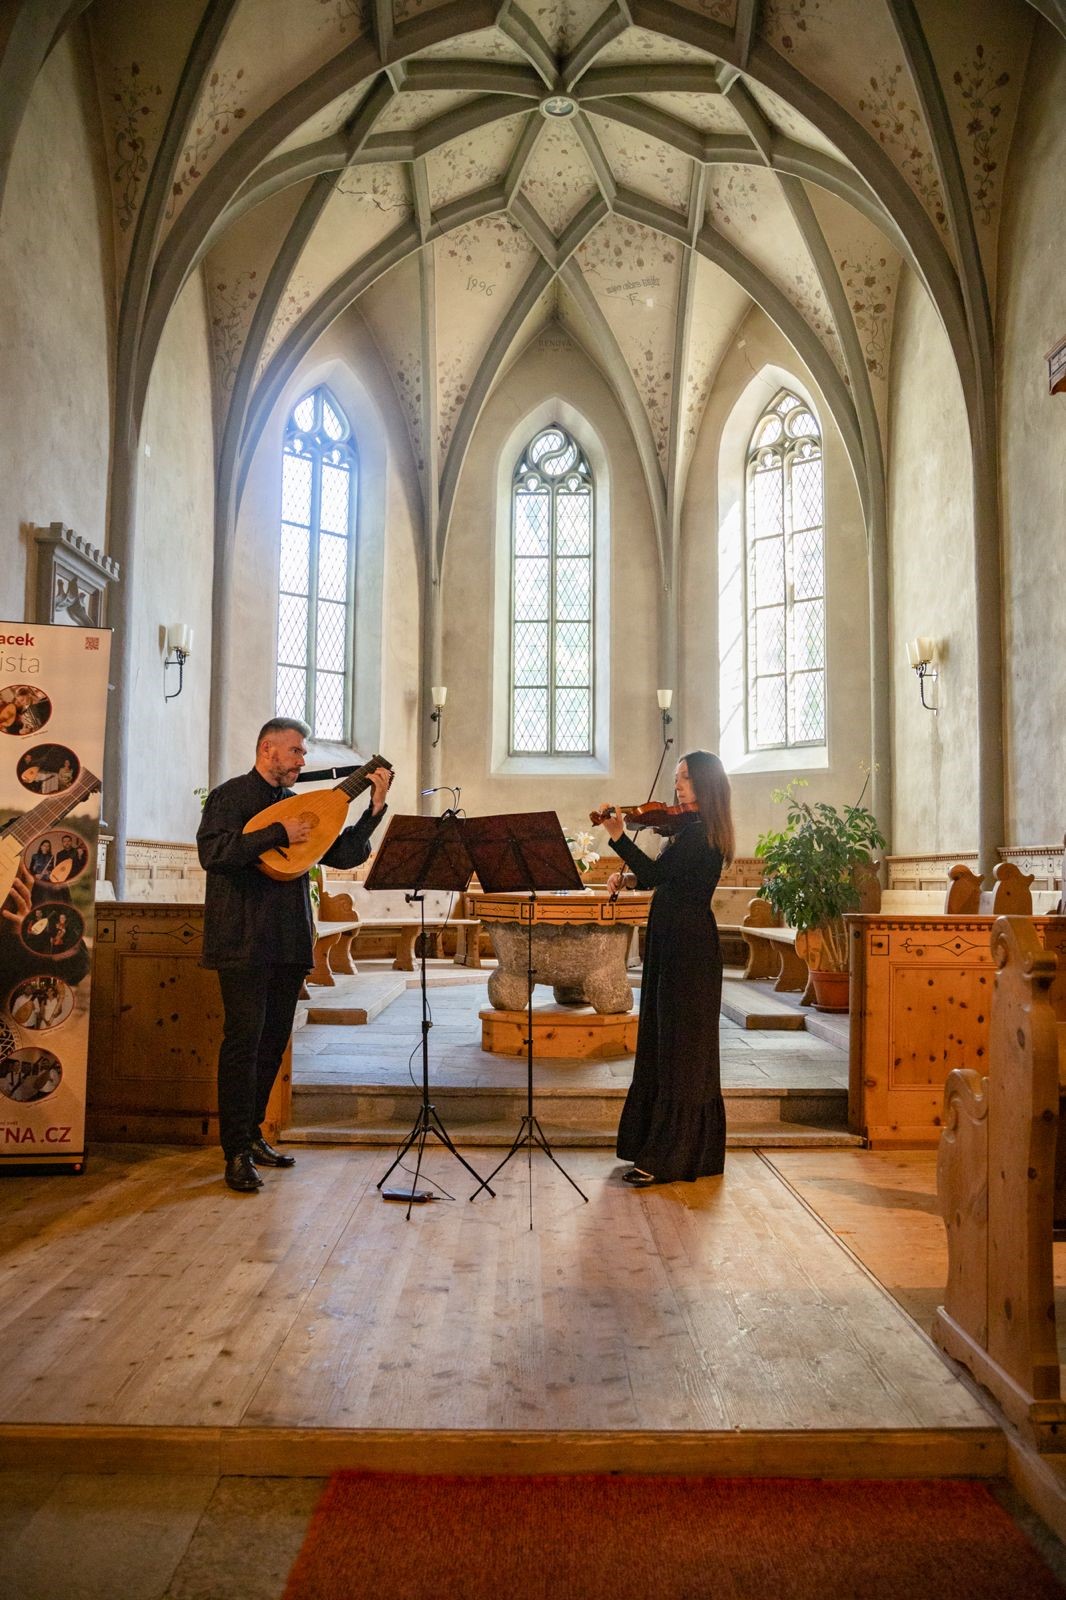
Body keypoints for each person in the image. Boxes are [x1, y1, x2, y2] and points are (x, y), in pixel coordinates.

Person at [197, 717, 392, 1194]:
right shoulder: (230, 797)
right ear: (268, 749)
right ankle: (235, 1151)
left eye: (303, 752)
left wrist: (373, 808)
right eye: (296, 751)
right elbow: (214, 854)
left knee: (272, 1043)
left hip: (287, 939)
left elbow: (341, 854)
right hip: (242, 939)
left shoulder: (298, 803)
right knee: (243, 1042)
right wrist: (276, 833)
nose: (303, 760)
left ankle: (253, 1135)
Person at [600, 751, 735, 1187]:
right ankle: (657, 1146)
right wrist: (629, 879)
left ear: (706, 784)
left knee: (681, 1050)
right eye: (677, 778)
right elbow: (664, 877)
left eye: (686, 778)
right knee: (662, 1043)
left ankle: (670, 1157)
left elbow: (659, 876)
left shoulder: (702, 834)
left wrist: (619, 838)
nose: (678, 786)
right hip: (672, 944)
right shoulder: (687, 831)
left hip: (689, 950)